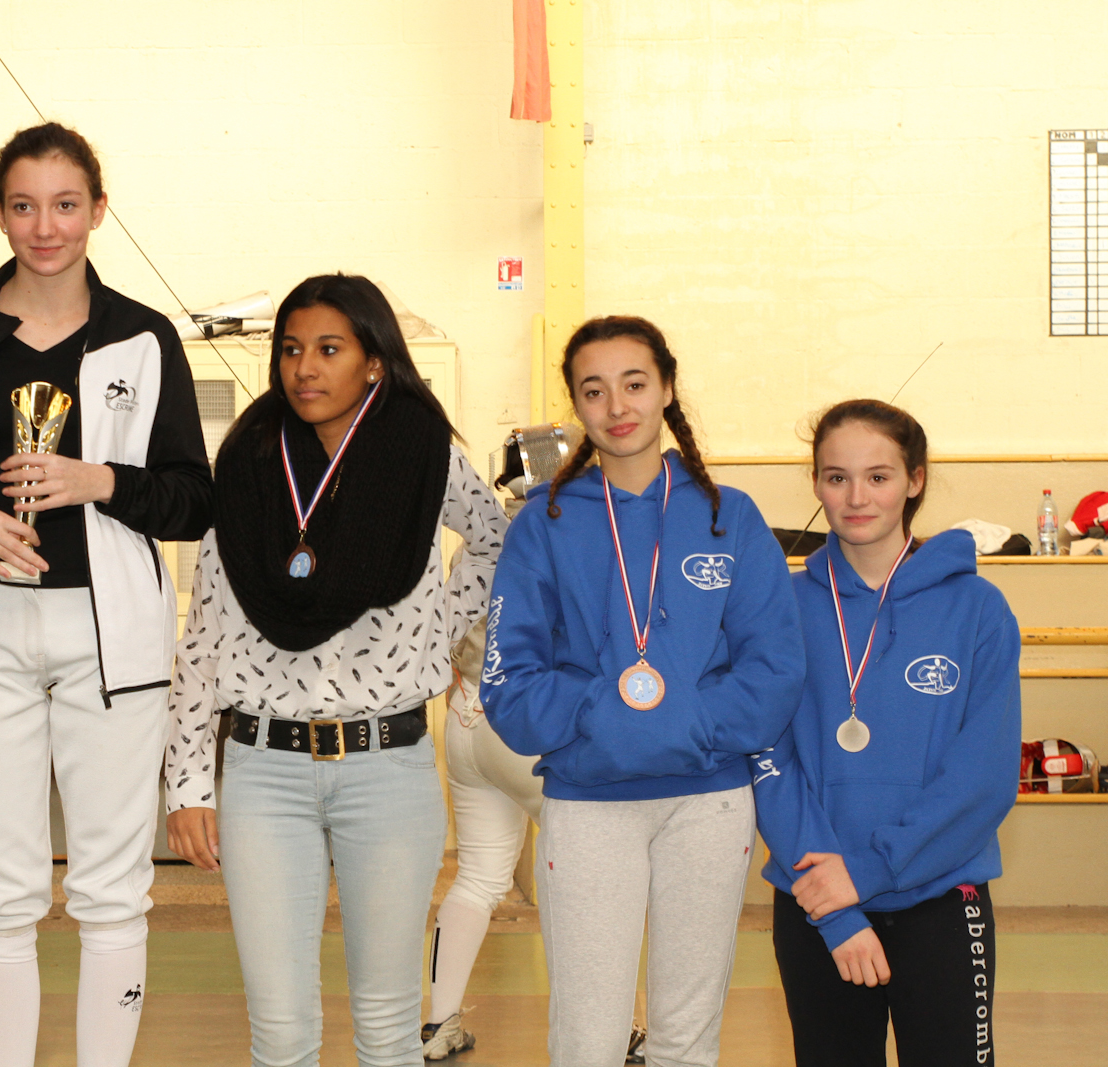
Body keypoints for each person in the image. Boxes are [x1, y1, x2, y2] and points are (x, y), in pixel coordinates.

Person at [0, 122, 212, 1067]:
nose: (45, 227)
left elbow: (192, 499)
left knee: (112, 889)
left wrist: (95, 480)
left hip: (108, 641)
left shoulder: (144, 337)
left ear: (98, 210)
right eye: (24, 205)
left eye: (66, 205)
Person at [164, 273, 506, 1067]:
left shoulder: (424, 454)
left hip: (388, 765)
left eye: (328, 349)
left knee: (387, 1028)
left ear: (374, 360)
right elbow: (204, 630)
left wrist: (438, 631)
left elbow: (497, 539)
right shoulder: (246, 460)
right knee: (280, 1031)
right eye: (291, 350)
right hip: (263, 767)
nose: (305, 367)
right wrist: (186, 782)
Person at [480, 315, 804, 1067]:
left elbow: (775, 668)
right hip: (589, 802)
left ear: (666, 389)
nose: (617, 406)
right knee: (587, 1038)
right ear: (576, 405)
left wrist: (688, 717)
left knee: (686, 1038)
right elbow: (509, 680)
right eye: (594, 390)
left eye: (634, 383)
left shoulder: (729, 515)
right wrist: (599, 711)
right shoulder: (544, 524)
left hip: (709, 800)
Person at [751, 399, 1020, 1067]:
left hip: (941, 899)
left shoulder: (978, 609)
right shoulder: (782, 607)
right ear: (816, 484)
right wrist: (838, 909)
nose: (857, 497)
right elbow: (768, 760)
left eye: (878, 476)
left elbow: (983, 779)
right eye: (836, 477)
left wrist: (868, 873)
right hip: (817, 904)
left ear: (914, 480)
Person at [423, 451, 647, 1065]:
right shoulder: (575, 537)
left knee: (478, 876)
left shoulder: (484, 539)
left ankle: (439, 1022)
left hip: (466, 719)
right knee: (590, 874)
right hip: (530, 725)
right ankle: (615, 1028)